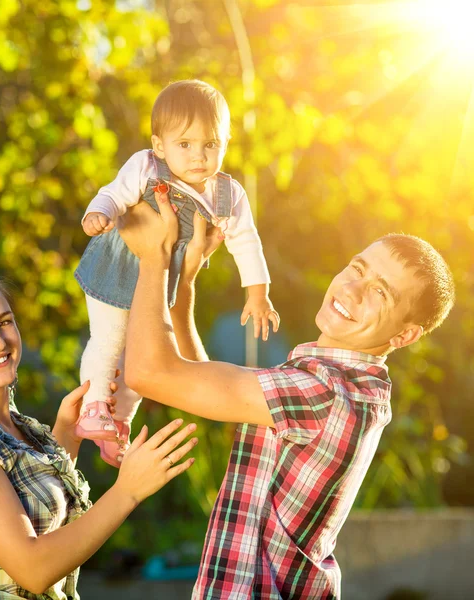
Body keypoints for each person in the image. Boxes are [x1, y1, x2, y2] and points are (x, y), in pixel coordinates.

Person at [117, 197, 456, 599]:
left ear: (404, 335)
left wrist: (151, 257)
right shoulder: (345, 388)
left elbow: (148, 374)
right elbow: (204, 388)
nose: (352, 289)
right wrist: (185, 286)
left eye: (380, 293)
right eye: (357, 268)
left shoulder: (323, 392)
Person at [0, 267, 199, 600]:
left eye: (4, 322)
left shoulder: (10, 425)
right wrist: (127, 491)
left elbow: (37, 516)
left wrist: (66, 437)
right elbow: (33, 569)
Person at [72, 79, 279, 467]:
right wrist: (99, 213)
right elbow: (114, 194)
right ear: (159, 145)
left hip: (160, 284)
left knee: (141, 358)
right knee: (110, 338)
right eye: (185, 144)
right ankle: (94, 405)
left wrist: (257, 293)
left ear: (225, 143)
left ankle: (118, 422)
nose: (198, 156)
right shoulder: (145, 167)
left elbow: (246, 242)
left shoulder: (228, 195)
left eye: (210, 144)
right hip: (116, 267)